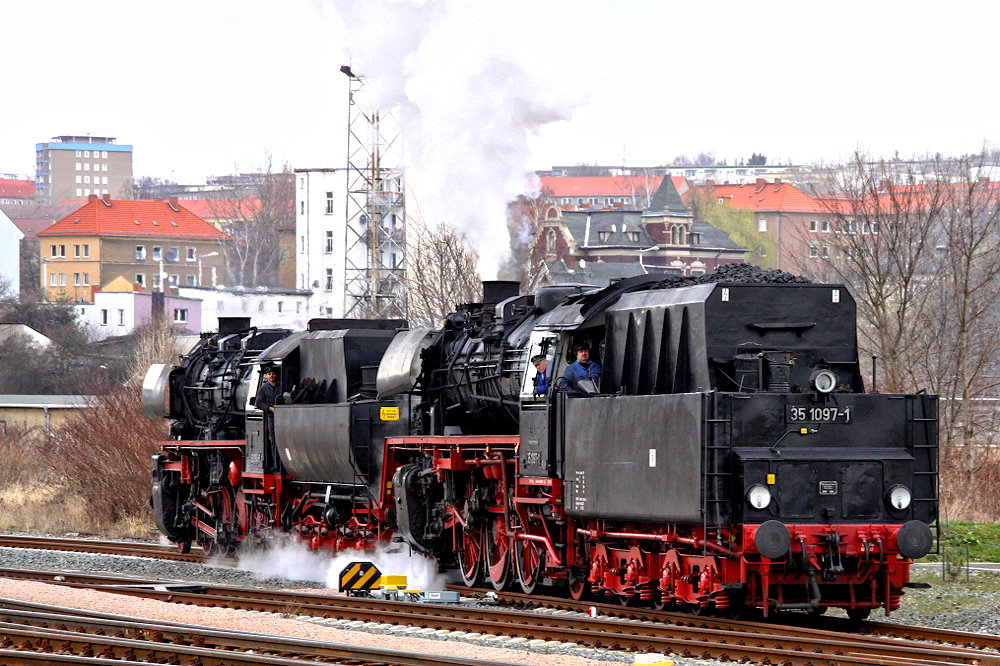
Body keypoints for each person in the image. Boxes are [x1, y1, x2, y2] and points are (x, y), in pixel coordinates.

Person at [256, 367, 283, 452]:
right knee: (274, 440)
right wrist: (269, 408)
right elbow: (258, 403)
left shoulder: (281, 386)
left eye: (273, 373)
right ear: (266, 376)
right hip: (271, 416)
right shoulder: (263, 388)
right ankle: (275, 464)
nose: (272, 376)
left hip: (283, 416)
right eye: (269, 374)